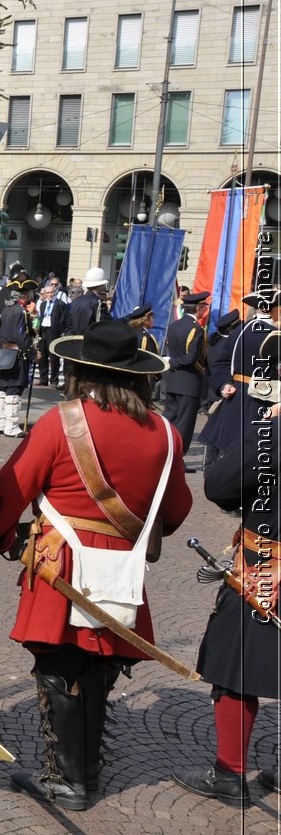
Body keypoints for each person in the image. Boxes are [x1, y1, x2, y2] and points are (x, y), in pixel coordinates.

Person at [0, 320, 192, 811]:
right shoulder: (165, 432)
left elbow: (10, 489)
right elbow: (177, 510)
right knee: (99, 666)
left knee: (58, 667)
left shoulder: (62, 422)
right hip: (120, 567)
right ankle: (88, 770)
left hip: (59, 566)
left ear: (80, 370)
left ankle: (67, 778)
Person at [174, 331, 281, 806]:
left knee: (234, 666)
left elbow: (218, 484)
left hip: (267, 565)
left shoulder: (275, 433)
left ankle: (230, 774)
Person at [199, 287, 280, 466]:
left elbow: (221, 363)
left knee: (231, 448)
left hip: (235, 394)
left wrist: (223, 385)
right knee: (253, 452)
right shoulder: (274, 335)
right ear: (273, 309)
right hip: (261, 400)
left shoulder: (239, 330)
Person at [162, 291, 209, 463]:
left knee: (169, 420)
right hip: (189, 382)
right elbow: (192, 358)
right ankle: (176, 459)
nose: (205, 309)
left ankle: (165, 454)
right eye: (204, 306)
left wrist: (170, 362)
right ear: (198, 308)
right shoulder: (197, 329)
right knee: (184, 424)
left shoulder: (175, 325)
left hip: (173, 381)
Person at [0, 281, 33, 437]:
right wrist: (32, 353)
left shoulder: (7, 310)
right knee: (13, 389)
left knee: (1, 389)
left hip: (3, 352)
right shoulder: (21, 312)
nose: (31, 295)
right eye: (29, 293)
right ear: (23, 295)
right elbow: (21, 337)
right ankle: (11, 427)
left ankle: (0, 423)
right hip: (15, 356)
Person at [35, 282, 67, 385]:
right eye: (47, 293)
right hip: (43, 330)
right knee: (42, 356)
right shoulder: (43, 304)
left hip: (54, 332)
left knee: (54, 357)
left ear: (55, 292)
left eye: (51, 292)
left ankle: (54, 380)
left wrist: (62, 332)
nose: (50, 295)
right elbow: (41, 316)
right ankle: (43, 379)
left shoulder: (60, 304)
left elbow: (63, 320)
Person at [66, 267, 108, 335]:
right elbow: (106, 325)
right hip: (90, 342)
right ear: (101, 285)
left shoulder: (75, 301)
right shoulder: (98, 303)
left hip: (74, 342)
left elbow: (67, 324)